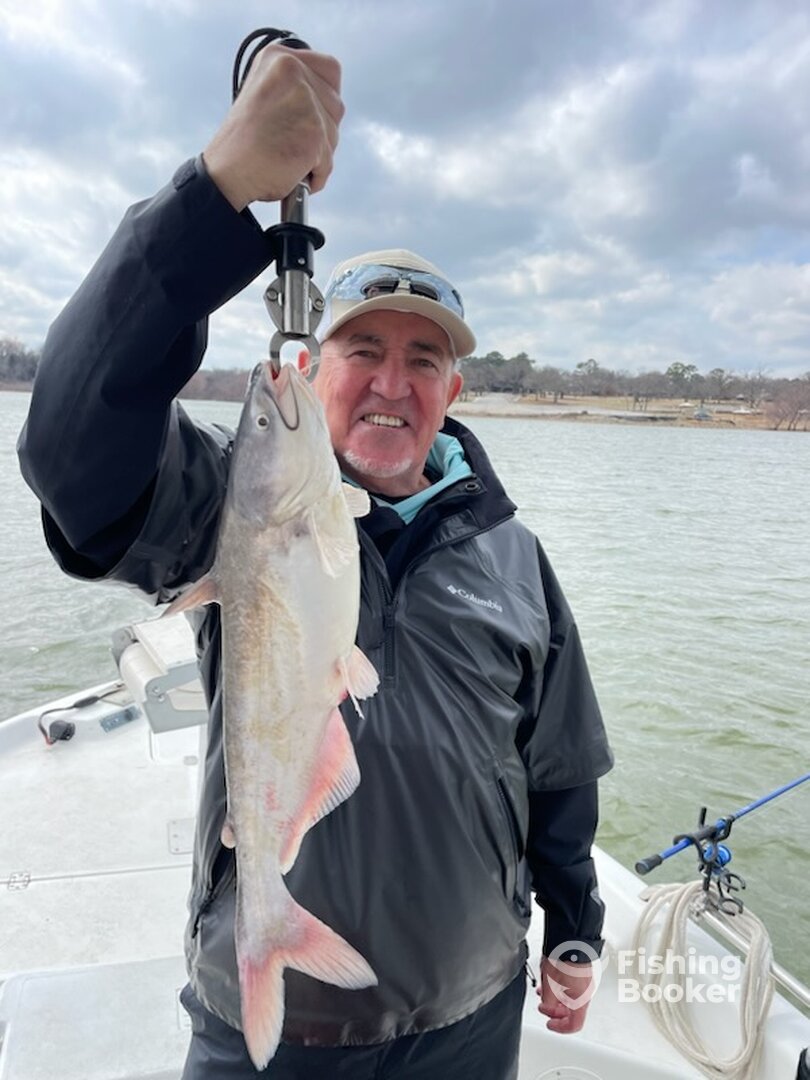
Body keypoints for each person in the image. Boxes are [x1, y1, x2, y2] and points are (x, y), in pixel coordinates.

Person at [18, 42, 612, 1080]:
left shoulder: (516, 557)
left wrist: (575, 924)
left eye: (423, 358)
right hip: (273, 1030)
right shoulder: (231, 510)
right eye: (362, 350)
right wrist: (213, 196)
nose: (391, 382)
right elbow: (70, 447)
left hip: (472, 1013)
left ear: (453, 392)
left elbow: (558, 764)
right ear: (314, 365)